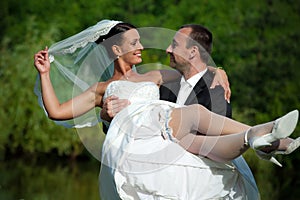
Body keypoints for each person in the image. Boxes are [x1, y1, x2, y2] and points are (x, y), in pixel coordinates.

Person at [33, 20, 300, 200]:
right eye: (134, 43)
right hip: (138, 140)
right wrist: (45, 74)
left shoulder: (153, 75)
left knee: (196, 131)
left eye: (140, 41)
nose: (141, 47)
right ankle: (265, 132)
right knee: (195, 114)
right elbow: (56, 110)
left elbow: (193, 66)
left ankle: (261, 139)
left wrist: (220, 70)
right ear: (116, 49)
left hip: (164, 130)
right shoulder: (101, 89)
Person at [101, 24, 258, 199]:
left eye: (174, 45)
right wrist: (107, 117)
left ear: (192, 52)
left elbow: (216, 142)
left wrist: (218, 71)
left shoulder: (216, 90)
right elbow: (139, 127)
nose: (168, 49)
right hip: (155, 181)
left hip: (197, 187)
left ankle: (256, 134)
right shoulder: (164, 86)